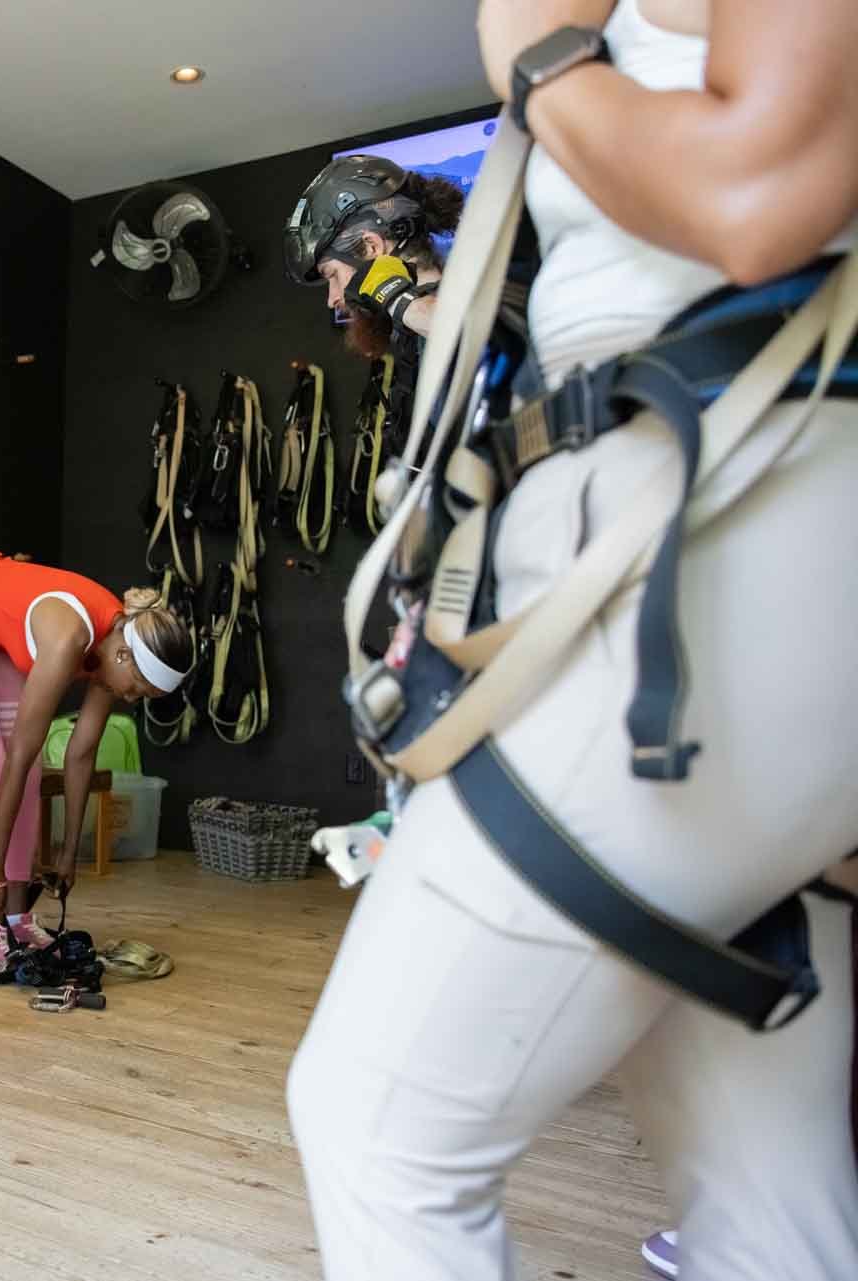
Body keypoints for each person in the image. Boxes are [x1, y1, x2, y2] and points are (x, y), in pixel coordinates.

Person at [285, 3, 858, 1280]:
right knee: (769, 1187)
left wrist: (537, 50)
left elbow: (762, 191)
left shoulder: (550, 88)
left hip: (707, 563)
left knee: (376, 1130)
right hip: (710, 562)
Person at [0, 551, 192, 973]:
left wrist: (67, 855)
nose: (131, 699)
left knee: (35, 767)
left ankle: (18, 920)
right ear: (124, 658)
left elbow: (80, 754)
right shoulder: (68, 640)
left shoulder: (118, 643)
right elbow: (14, 760)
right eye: (138, 690)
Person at [284, 153, 466, 363]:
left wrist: (395, 297)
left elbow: (477, 337)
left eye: (333, 275)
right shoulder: (413, 340)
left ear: (372, 247)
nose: (331, 299)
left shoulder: (483, 298)